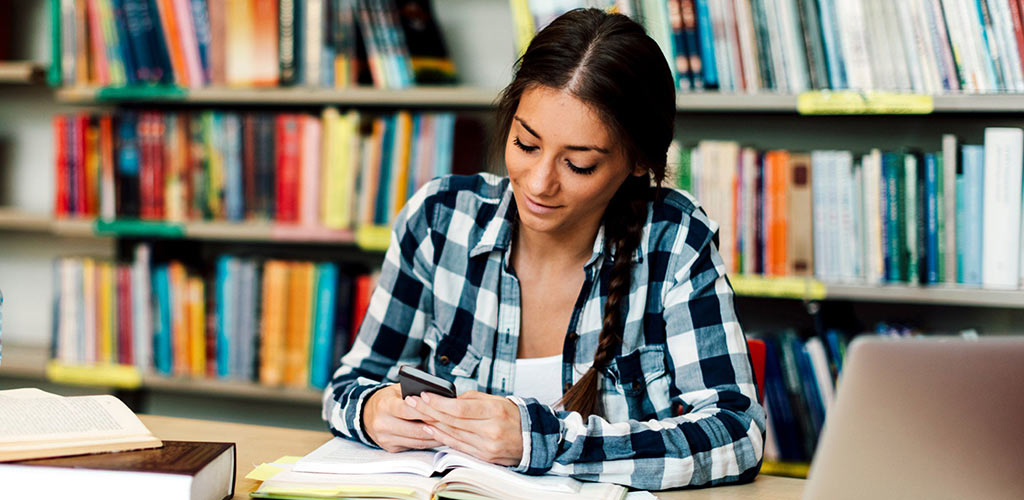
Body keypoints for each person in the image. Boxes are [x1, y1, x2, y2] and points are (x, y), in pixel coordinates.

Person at [322, 8, 764, 490]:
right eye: (525, 144)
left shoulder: (675, 241)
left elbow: (737, 433)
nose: (538, 183)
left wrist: (542, 441)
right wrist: (372, 411)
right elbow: (347, 386)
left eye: (578, 165)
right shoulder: (439, 220)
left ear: (638, 162)